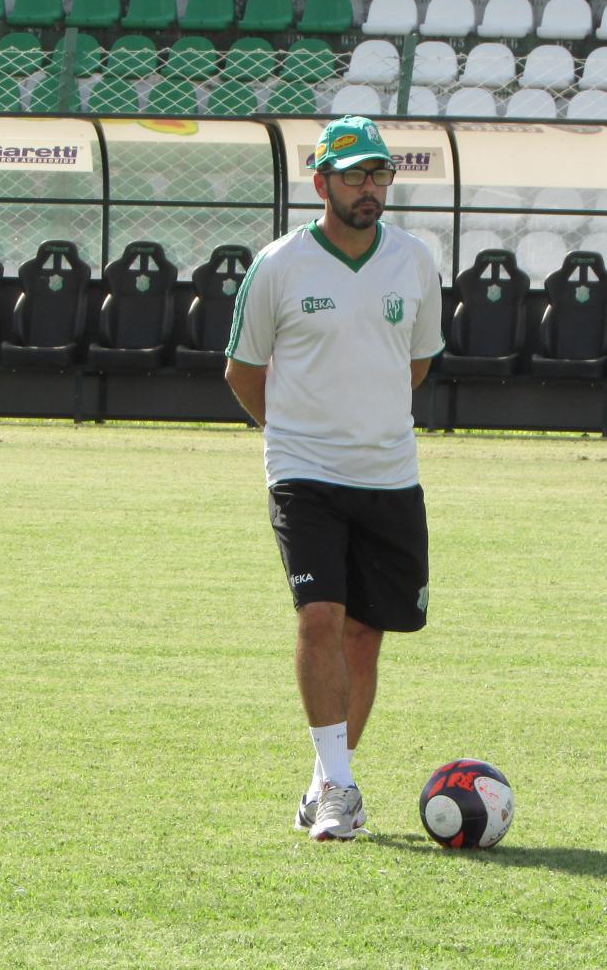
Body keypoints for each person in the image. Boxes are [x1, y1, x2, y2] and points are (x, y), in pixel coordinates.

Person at [223, 116, 444, 841]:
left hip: (389, 475)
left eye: (379, 174)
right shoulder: (280, 265)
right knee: (319, 618)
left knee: (364, 638)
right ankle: (341, 791)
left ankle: (324, 779)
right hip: (304, 473)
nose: (370, 188)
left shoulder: (414, 260)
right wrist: (294, 434)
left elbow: (414, 363)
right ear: (319, 183)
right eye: (353, 175)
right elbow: (243, 371)